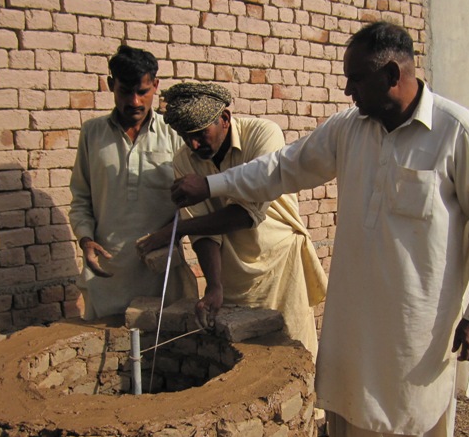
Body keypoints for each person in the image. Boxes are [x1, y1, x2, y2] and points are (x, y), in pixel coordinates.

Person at [170, 22, 469, 437]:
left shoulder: (458, 133)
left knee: (420, 416)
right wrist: (211, 185)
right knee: (347, 396)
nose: (347, 91)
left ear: (393, 74)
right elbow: (282, 168)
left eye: (355, 79)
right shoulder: (350, 129)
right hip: (355, 303)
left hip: (419, 314)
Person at [136, 83, 327, 357]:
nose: (194, 144)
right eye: (185, 137)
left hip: (280, 263)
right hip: (233, 270)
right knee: (245, 354)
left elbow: (249, 214)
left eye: (201, 134)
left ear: (224, 119)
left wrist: (176, 230)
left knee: (292, 351)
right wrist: (214, 286)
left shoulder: (263, 134)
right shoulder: (184, 160)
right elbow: (203, 232)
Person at [69, 45, 196, 319]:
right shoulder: (92, 134)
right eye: (125, 91)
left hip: (160, 272)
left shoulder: (173, 135)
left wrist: (169, 233)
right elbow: (81, 198)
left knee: (159, 354)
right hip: (107, 273)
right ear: (111, 85)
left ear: (156, 86)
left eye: (143, 92)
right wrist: (85, 240)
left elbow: (192, 204)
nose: (135, 102)